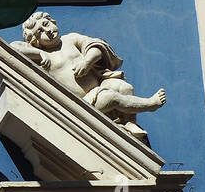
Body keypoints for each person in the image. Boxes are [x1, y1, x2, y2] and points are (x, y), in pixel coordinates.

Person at [10, 12, 165, 138]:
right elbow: (14, 47)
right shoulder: (44, 57)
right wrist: (38, 53)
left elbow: (96, 45)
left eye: (46, 24)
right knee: (110, 98)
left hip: (99, 87)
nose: (48, 31)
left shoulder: (70, 39)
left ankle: (129, 123)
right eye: (40, 32)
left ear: (53, 21)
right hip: (82, 104)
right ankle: (150, 105)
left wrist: (87, 62)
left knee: (123, 87)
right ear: (36, 40)